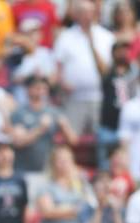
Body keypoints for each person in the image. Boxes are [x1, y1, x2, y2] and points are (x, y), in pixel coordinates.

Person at [54, 0, 114, 136]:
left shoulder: (106, 37)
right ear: (76, 15)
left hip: (100, 97)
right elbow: (58, 66)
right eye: (82, 12)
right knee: (71, 137)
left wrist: (91, 41)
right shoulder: (65, 37)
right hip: (74, 97)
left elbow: (110, 69)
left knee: (100, 138)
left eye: (89, 12)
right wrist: (62, 82)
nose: (87, 16)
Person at [10, 76, 77, 189]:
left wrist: (65, 126)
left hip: (48, 171)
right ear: (28, 90)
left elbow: (73, 140)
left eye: (44, 88)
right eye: (37, 88)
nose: (41, 92)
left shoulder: (53, 111)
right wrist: (40, 129)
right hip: (25, 170)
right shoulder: (19, 113)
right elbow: (18, 142)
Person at [36, 145, 94, 223]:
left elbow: (89, 206)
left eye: (67, 160)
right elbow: (48, 212)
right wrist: (73, 210)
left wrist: (60, 209)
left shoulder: (81, 184)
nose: (64, 164)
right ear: (53, 163)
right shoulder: (46, 186)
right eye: (60, 160)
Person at [97, 41, 139, 170]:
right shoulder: (108, 72)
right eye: (119, 50)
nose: (122, 53)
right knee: (105, 167)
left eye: (125, 50)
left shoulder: (134, 73)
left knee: (127, 166)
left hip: (128, 129)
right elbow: (99, 66)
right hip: (108, 127)